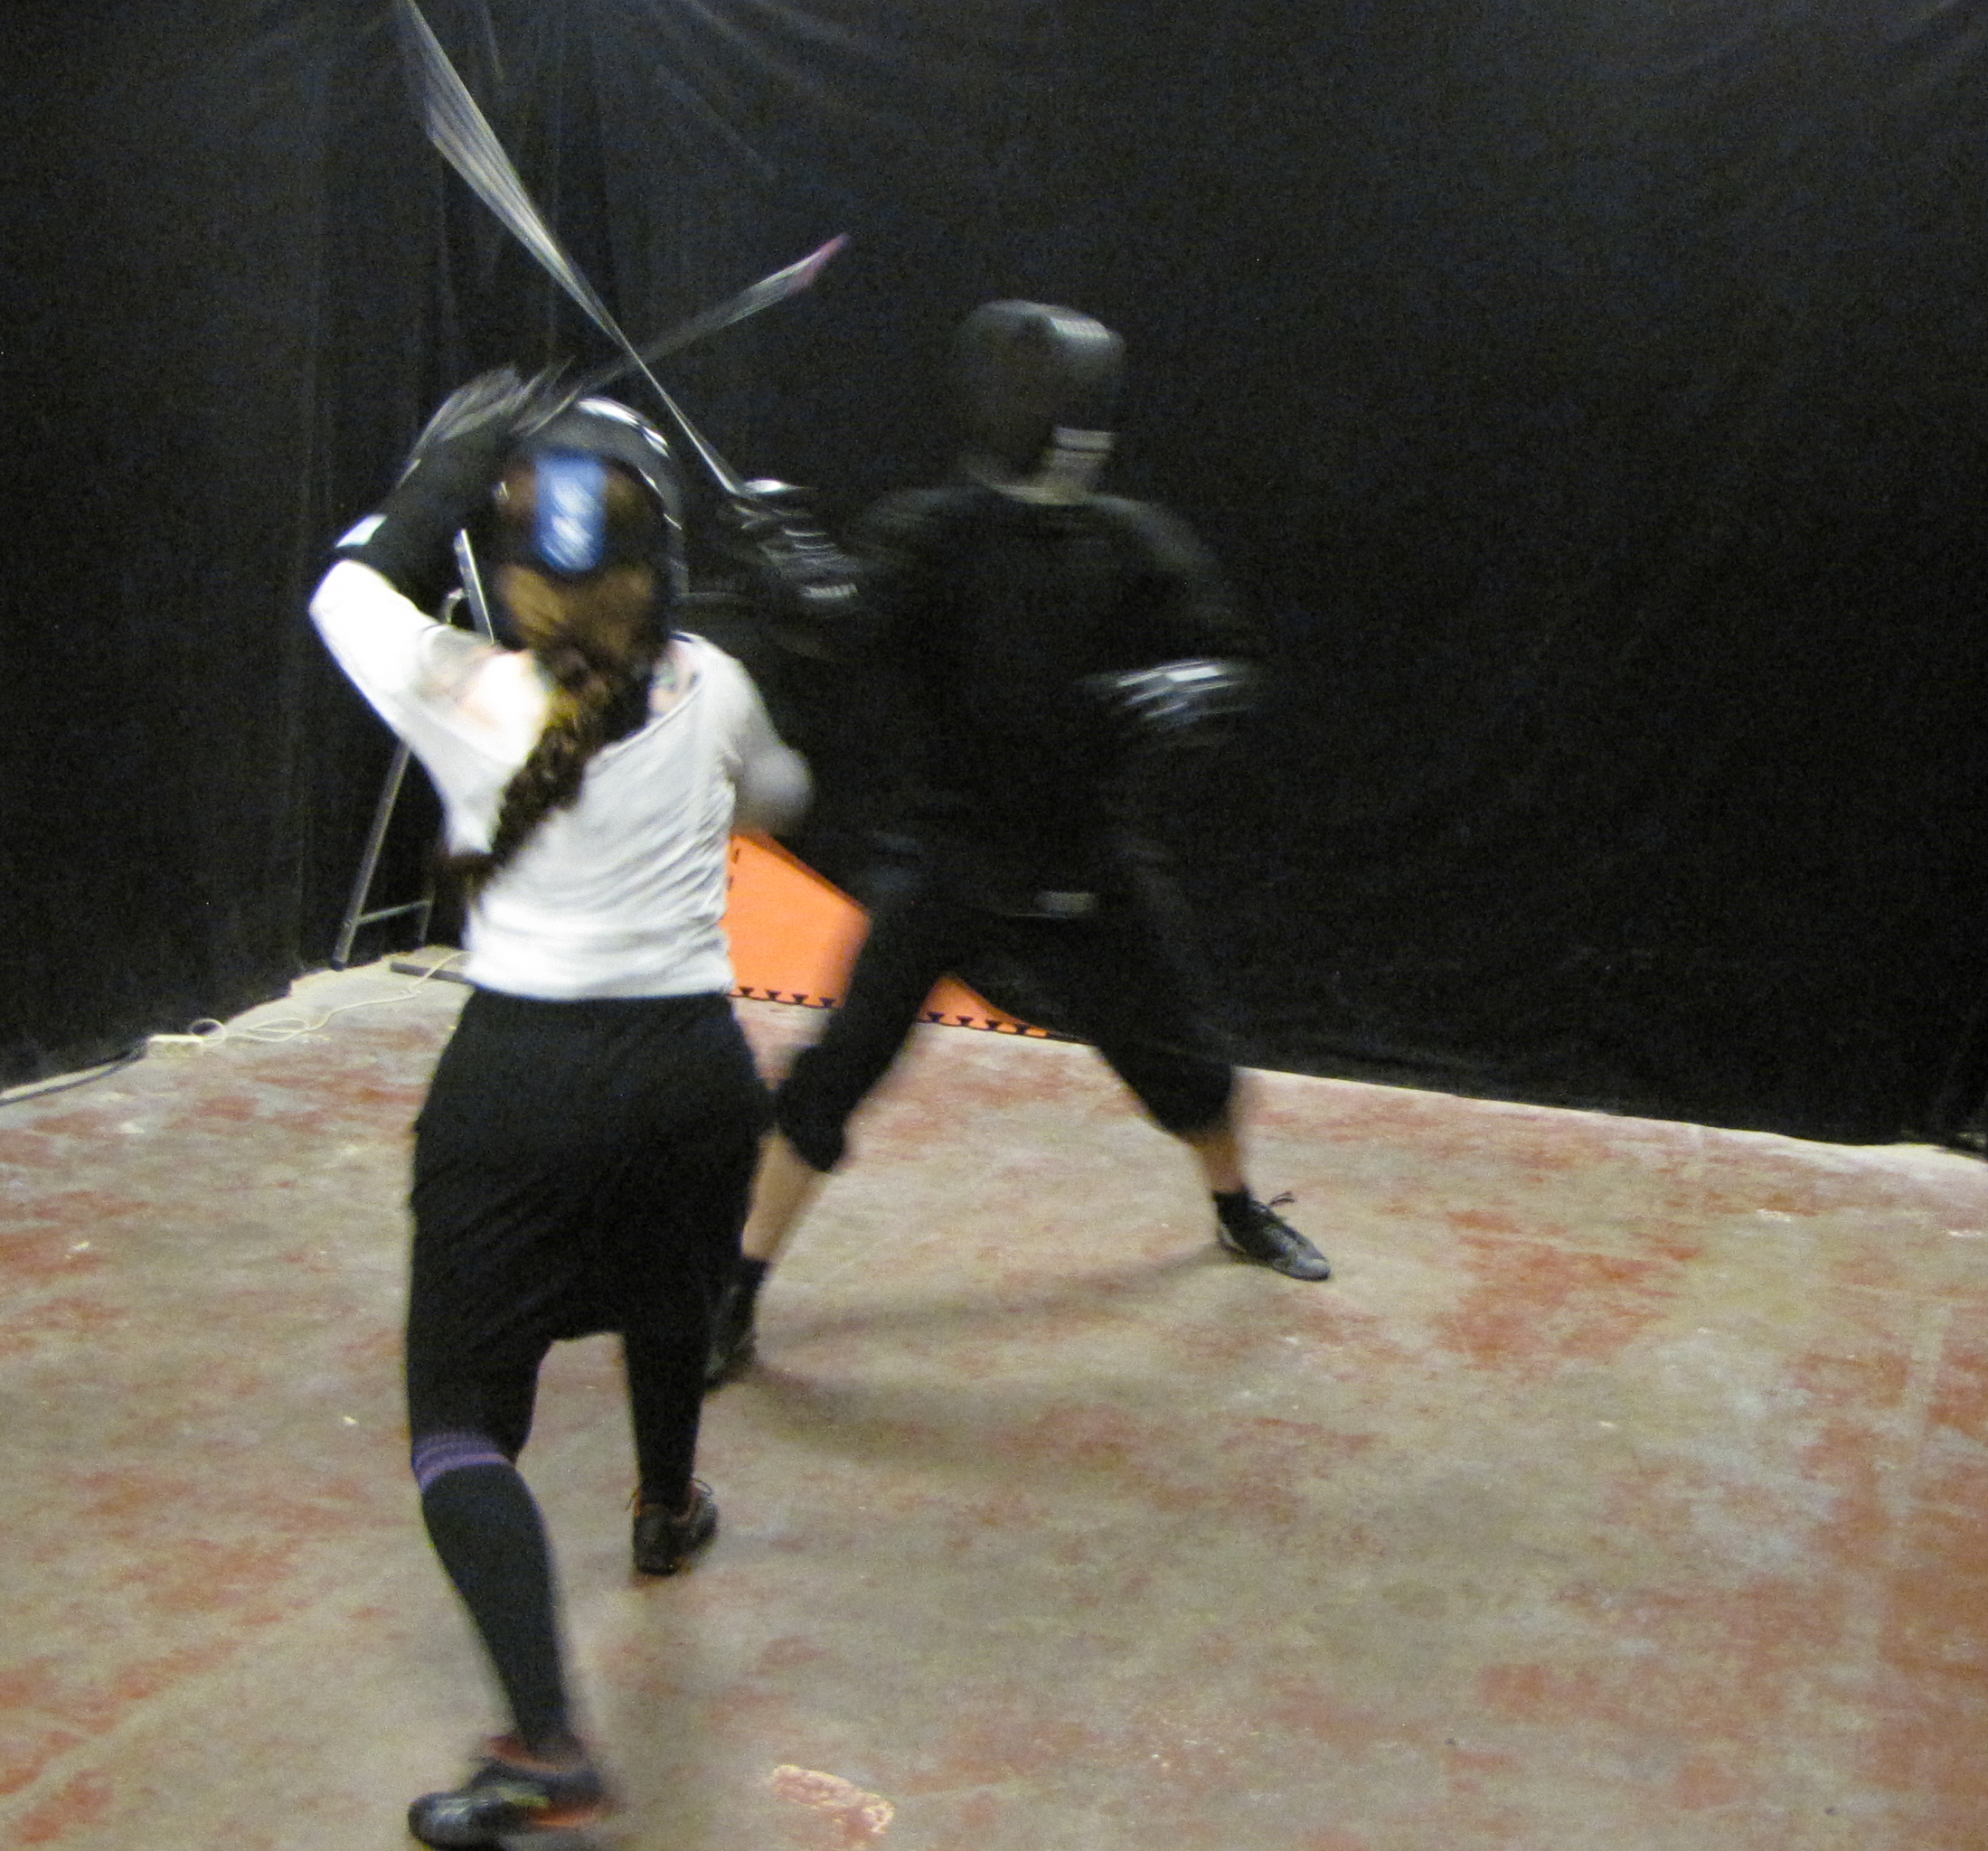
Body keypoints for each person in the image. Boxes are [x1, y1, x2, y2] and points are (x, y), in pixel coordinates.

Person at [308, 376, 808, 1846]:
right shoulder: (717, 685)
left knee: (459, 1420)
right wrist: (786, 644)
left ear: (512, 563)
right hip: (691, 1074)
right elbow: (781, 798)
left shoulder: (463, 688)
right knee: (667, 1293)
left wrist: (436, 476)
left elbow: (346, 589)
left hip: (520, 1082)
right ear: (663, 562)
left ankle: (546, 1745)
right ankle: (664, 1508)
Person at [711, 300, 1327, 1388]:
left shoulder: (1130, 540)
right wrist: (790, 572)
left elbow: (1234, 656)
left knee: (1193, 1066)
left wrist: (1202, 683)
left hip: (1087, 858)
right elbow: (846, 628)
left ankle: (1236, 1206)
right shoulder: (929, 534)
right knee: (833, 1073)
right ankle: (737, 1288)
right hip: (949, 857)